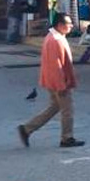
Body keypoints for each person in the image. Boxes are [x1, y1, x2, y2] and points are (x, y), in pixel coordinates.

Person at [17, 15, 84, 148]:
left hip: (53, 80)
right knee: (67, 110)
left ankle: (27, 129)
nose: (71, 26)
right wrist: (61, 85)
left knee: (54, 107)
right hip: (58, 82)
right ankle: (67, 137)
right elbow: (56, 66)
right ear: (60, 25)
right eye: (69, 23)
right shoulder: (55, 40)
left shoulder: (53, 37)